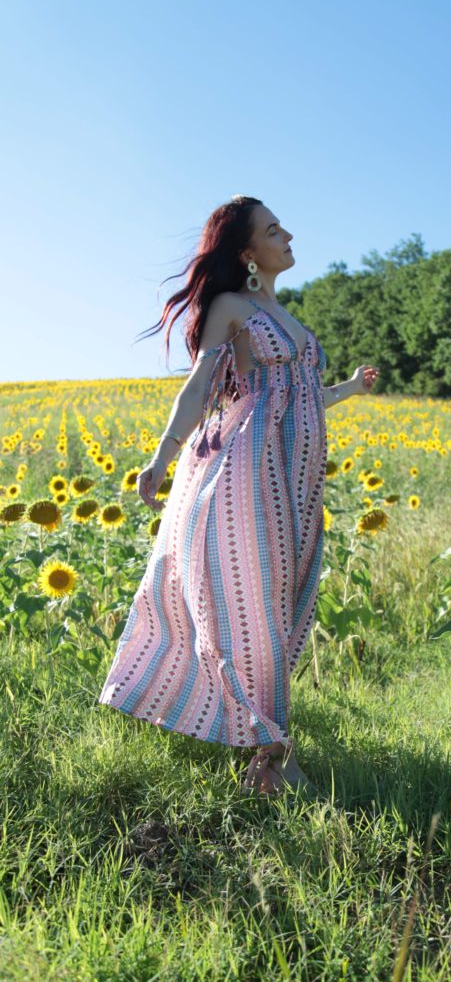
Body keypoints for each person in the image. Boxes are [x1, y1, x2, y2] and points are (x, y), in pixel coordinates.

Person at [98, 194, 379, 798]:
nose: (288, 235)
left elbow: (298, 397)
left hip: (295, 479)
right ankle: (271, 757)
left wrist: (349, 389)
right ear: (248, 253)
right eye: (274, 230)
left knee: (278, 609)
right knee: (252, 611)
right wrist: (160, 457)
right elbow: (201, 386)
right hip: (244, 474)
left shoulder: (290, 318)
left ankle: (253, 735)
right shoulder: (232, 305)